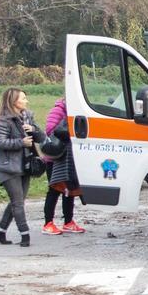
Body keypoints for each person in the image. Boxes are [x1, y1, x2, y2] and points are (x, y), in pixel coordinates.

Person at [0, 87, 40, 247]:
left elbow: (42, 136)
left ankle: (0, 230)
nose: (26, 101)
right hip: (8, 167)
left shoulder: (28, 118)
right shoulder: (4, 120)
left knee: (17, 201)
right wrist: (21, 142)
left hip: (25, 165)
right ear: (14, 102)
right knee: (18, 202)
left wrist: (34, 130)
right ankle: (25, 235)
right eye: (23, 98)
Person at [39, 97, 85, 235]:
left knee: (69, 190)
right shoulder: (58, 110)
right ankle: (48, 223)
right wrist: (69, 131)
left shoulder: (73, 111)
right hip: (55, 159)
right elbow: (50, 130)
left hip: (68, 159)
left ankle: (68, 222)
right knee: (54, 191)